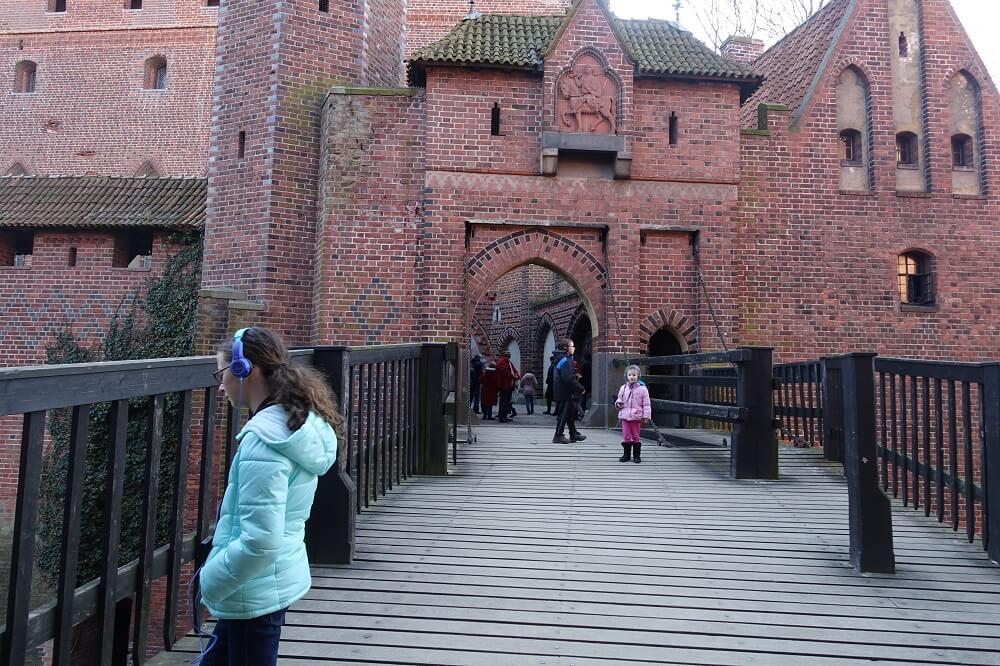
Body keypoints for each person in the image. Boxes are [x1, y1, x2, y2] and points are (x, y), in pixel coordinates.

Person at [200, 326, 343, 666]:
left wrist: (210, 579)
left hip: (253, 587)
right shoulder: (294, 425)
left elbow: (260, 541)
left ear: (243, 371)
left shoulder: (264, 440)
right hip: (267, 582)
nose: (220, 386)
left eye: (222, 374)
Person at [551, 338, 587, 444]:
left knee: (570, 413)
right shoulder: (566, 360)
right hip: (565, 392)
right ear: (566, 348)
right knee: (564, 414)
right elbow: (568, 378)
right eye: (572, 346)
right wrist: (580, 388)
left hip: (562, 390)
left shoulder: (562, 359)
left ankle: (573, 434)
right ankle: (558, 435)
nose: (574, 348)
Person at [615, 364, 651, 463]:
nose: (632, 377)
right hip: (625, 415)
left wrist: (646, 416)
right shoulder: (623, 388)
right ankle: (626, 455)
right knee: (626, 435)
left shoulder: (643, 389)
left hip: (636, 416)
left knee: (636, 436)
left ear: (638, 376)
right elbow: (619, 398)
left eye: (634, 375)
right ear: (626, 376)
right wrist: (618, 404)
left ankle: (636, 455)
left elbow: (647, 404)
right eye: (630, 375)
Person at [495, 351, 518, 423]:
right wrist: (513, 376)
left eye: (510, 354)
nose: (509, 355)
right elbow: (505, 372)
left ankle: (504, 416)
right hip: (504, 385)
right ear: (505, 355)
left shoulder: (509, 362)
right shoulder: (502, 362)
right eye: (508, 354)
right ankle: (502, 417)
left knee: (507, 402)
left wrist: (517, 375)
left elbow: (514, 370)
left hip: (509, 385)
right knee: (504, 402)